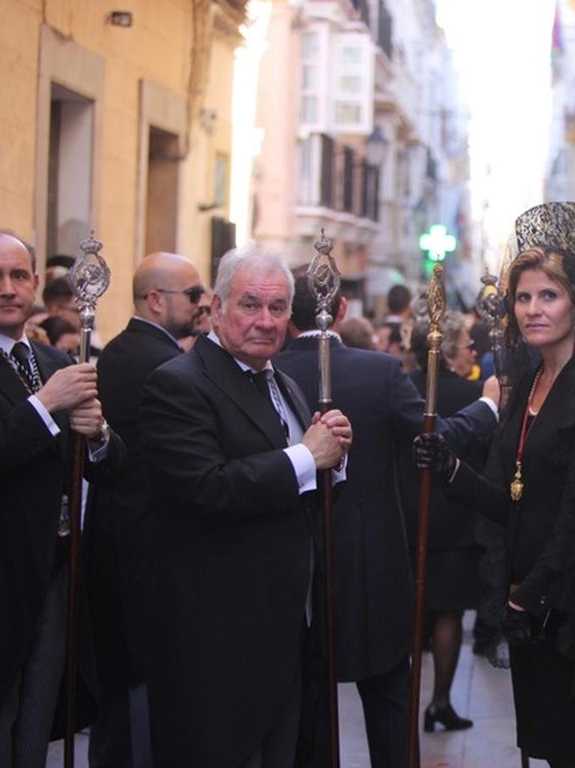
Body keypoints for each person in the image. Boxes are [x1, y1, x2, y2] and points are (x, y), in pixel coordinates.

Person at [414, 202, 575, 767]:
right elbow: (513, 499)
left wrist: (533, 593)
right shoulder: (523, 386)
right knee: (550, 750)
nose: (532, 309)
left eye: (548, 295)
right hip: (529, 607)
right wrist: (450, 470)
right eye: (523, 297)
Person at [273, 275, 498, 768]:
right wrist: (488, 407)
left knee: (310, 700)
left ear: (285, 314)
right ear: (346, 307)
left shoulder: (268, 371)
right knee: (390, 696)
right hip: (374, 558)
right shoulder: (378, 372)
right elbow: (435, 436)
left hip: (295, 558)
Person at [139, 247, 351, 768]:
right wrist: (306, 455)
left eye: (278, 308)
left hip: (286, 629)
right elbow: (207, 489)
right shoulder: (179, 382)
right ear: (215, 307)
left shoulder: (285, 383)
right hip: (217, 639)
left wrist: (335, 459)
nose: (265, 321)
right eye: (250, 305)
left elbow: (302, 492)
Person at [0, 229, 120, 767]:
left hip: (56, 572)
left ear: (35, 282)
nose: (7, 288)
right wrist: (42, 407)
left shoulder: (57, 361)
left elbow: (113, 466)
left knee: (36, 728)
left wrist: (98, 435)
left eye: (17, 275)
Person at [85, 251, 206, 767]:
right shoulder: (163, 364)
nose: (203, 305)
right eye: (195, 295)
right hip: (145, 547)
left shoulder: (119, 350)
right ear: (156, 301)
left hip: (121, 539)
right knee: (141, 692)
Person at [403, 314, 488, 732]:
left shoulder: (400, 388)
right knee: (447, 613)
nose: (473, 350)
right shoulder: (473, 395)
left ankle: (404, 699)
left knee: (410, 609)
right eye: (467, 343)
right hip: (454, 513)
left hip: (409, 513)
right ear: (447, 350)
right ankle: (440, 700)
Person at [43, 274, 102, 359]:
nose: (85, 316)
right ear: (56, 310)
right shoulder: (32, 343)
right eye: (78, 311)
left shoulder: (92, 353)